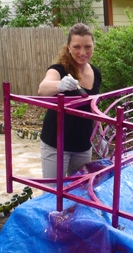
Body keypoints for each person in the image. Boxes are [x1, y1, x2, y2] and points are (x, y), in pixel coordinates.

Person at [38, 23, 102, 180]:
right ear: (68, 47)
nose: (82, 52)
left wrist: (101, 136)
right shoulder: (58, 70)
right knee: (53, 194)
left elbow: (93, 108)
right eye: (76, 47)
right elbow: (43, 88)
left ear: (93, 46)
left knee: (78, 191)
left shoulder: (96, 73)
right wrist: (59, 85)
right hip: (57, 144)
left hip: (83, 145)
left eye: (87, 46)